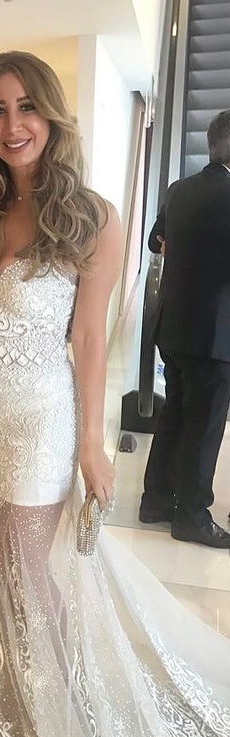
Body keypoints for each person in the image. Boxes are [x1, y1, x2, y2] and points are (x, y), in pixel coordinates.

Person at [0, 52, 230, 737]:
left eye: (26, 106)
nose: (12, 125)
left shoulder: (92, 216)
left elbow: (88, 337)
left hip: (39, 423)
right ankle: (12, 706)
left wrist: (90, 445)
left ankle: (58, 721)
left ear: (51, 114)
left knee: (27, 583)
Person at [139, 109, 230, 548]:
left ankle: (156, 500)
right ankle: (192, 515)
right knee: (204, 424)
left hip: (173, 326)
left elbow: (155, 241)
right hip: (215, 334)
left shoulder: (180, 190)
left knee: (174, 413)